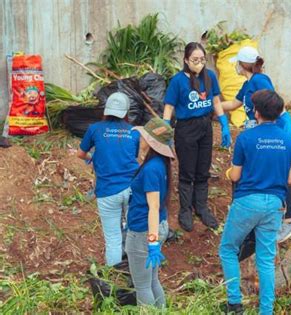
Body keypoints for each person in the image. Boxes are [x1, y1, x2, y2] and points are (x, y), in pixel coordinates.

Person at [219, 90, 291, 315]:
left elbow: (235, 176)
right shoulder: (289, 141)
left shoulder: (246, 138)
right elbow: (289, 179)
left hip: (247, 202)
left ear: (257, 111)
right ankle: (266, 310)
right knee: (265, 258)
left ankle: (234, 304)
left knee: (228, 249)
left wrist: (231, 174)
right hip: (275, 204)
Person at [221, 46, 291, 242]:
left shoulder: (259, 80)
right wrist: (211, 106)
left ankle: (289, 220)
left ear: (242, 64)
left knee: (280, 173)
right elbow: (233, 104)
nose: (236, 68)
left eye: (237, 65)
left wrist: (283, 127)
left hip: (274, 130)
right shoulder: (247, 84)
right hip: (258, 130)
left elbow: (275, 104)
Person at [163, 42, 231, 232]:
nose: (199, 63)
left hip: (205, 126)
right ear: (186, 60)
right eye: (195, 60)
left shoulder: (209, 76)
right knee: (187, 170)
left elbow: (216, 100)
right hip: (186, 129)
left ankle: (201, 206)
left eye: (202, 59)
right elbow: (169, 106)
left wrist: (224, 124)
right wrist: (166, 128)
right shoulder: (178, 81)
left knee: (203, 169)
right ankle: (185, 210)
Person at [77, 92, 139, 266]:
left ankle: (114, 276)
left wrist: (93, 158)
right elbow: (131, 157)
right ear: (126, 112)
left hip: (107, 191)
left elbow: (80, 154)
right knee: (134, 232)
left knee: (113, 237)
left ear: (106, 110)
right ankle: (136, 271)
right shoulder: (133, 132)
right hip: (132, 189)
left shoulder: (94, 129)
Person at [125, 117, 175, 307]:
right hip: (156, 226)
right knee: (152, 281)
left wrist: (152, 242)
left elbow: (153, 207)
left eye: (144, 136)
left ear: (152, 142)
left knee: (142, 286)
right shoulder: (159, 165)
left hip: (143, 231)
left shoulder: (151, 169)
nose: (141, 138)